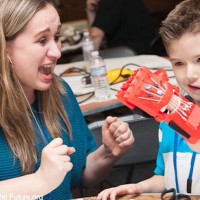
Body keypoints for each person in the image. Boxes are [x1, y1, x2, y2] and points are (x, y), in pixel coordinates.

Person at [0, 0, 135, 199]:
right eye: (42, 40)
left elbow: (80, 177)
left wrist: (108, 153)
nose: (57, 52)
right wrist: (40, 181)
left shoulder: (60, 93)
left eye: (57, 37)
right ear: (6, 49)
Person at [97, 0, 200, 199]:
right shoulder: (170, 122)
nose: (190, 74)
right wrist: (138, 188)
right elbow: (166, 177)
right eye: (178, 63)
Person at [86, 0, 156, 54]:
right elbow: (100, 38)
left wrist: (88, 60)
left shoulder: (110, 2)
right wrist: (91, 11)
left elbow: (95, 37)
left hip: (130, 54)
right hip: (145, 51)